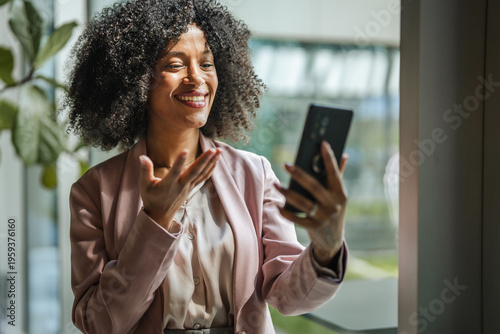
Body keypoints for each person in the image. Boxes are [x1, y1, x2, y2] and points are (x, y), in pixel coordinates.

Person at [64, 0, 349, 333]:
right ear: (136, 79)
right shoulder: (94, 192)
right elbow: (98, 323)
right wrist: (154, 223)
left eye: (207, 63)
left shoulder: (254, 174)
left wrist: (326, 248)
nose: (196, 79)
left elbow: (288, 298)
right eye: (175, 64)